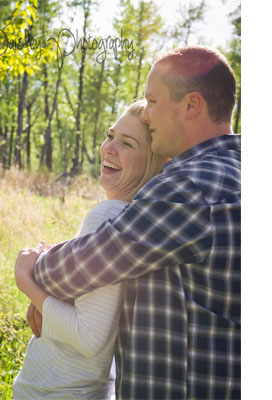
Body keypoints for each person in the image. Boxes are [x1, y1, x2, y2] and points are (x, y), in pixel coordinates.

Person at [15, 46, 240, 398]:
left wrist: (31, 272)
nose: (148, 115)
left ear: (191, 105)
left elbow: (79, 266)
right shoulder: (237, 173)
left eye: (152, 101)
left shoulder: (187, 187)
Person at [11, 100, 168, 399]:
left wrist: (27, 282)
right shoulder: (133, 220)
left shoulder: (107, 216)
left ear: (151, 162)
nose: (108, 148)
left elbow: (88, 337)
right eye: (111, 135)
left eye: (127, 143)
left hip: (56, 392)